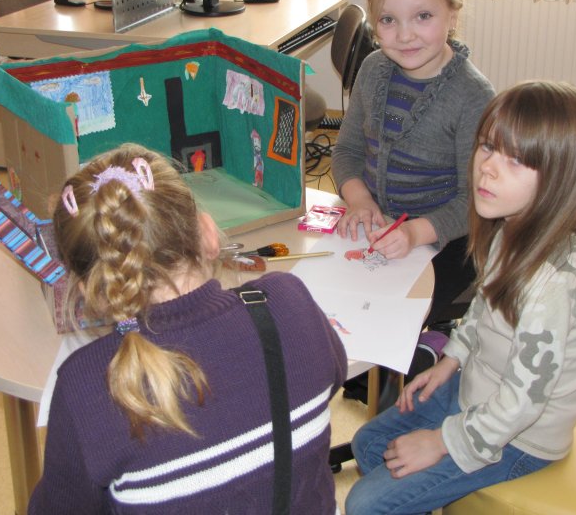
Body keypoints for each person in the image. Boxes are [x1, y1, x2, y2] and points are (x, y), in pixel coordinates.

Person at [344, 80, 576, 514]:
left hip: (522, 435)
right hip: (480, 386)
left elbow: (522, 403)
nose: (487, 168)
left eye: (516, 160)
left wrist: (441, 441)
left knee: (364, 503)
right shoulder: (512, 225)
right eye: (488, 147)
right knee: (370, 442)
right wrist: (451, 360)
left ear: (563, 179)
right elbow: (483, 307)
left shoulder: (555, 282)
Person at [28, 144, 348, 514]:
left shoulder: (85, 385)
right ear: (209, 234)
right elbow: (331, 375)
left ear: (91, 294)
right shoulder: (288, 302)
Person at [331, 0, 495, 336]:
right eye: (388, 19)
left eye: (423, 16)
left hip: (447, 239)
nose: (405, 35)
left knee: (389, 322)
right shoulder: (372, 70)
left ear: (452, 14)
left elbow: (475, 201)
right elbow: (347, 152)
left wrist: (414, 233)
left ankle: (429, 348)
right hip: (377, 227)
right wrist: (360, 200)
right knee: (336, 307)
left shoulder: (473, 96)